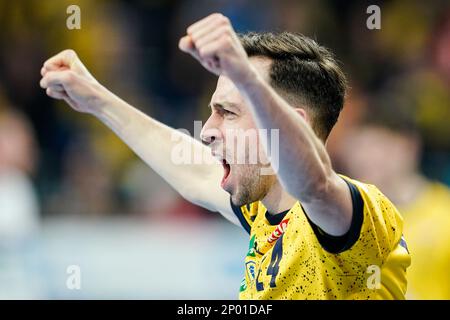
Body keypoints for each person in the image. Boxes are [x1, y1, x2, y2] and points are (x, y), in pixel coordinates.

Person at [39, 13, 410, 299]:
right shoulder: (266, 215)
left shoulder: (356, 216)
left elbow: (314, 185)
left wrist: (246, 78)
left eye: (229, 112)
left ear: (288, 126)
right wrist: (96, 100)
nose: (208, 129)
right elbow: (193, 171)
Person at [336, 91, 450, 300]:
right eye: (360, 146)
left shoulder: (445, 215)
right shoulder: (339, 221)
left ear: (409, 146)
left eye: (378, 146)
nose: (366, 158)